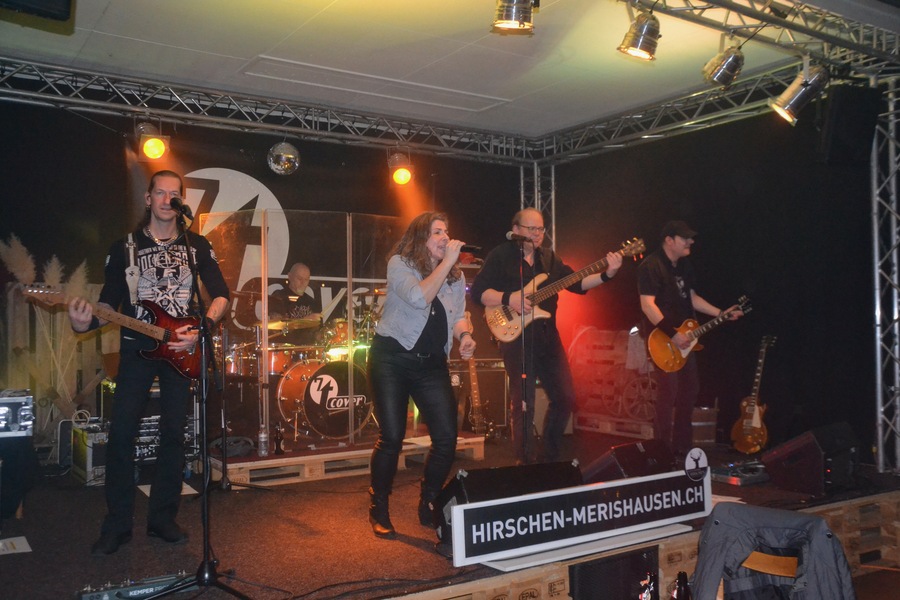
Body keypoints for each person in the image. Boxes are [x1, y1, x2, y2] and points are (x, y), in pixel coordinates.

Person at [68, 170, 230, 556]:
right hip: (135, 350)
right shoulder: (124, 248)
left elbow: (221, 294)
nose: (167, 200)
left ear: (181, 201)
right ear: (148, 198)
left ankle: (161, 519)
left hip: (181, 351)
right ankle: (117, 525)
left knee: (174, 434)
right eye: (160, 193)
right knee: (122, 434)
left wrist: (203, 328)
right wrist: (84, 323)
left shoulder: (196, 245)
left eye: (174, 195)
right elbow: (108, 303)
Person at [471, 208, 622, 465]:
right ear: (516, 230)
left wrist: (608, 274)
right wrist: (509, 298)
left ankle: (548, 457)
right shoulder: (500, 255)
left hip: (548, 338)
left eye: (540, 229)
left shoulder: (550, 259)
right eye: (531, 229)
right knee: (524, 403)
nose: (537, 234)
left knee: (566, 398)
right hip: (517, 338)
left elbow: (577, 283)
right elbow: (478, 292)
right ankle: (525, 462)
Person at [367, 211, 476, 538]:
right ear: (421, 238)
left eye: (447, 231)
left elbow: (458, 316)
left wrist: (465, 336)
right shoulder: (400, 264)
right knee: (392, 437)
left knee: (446, 438)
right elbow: (418, 297)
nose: (445, 237)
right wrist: (448, 262)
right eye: (437, 232)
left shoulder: (454, 276)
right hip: (393, 359)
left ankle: (428, 500)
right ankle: (379, 505)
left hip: (431, 365)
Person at [638, 220, 742, 457]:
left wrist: (721, 313)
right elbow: (648, 306)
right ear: (669, 240)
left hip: (685, 338)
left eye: (691, 238)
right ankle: (662, 450)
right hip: (662, 338)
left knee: (690, 389)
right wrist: (673, 334)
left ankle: (682, 446)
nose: (691, 242)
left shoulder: (684, 265)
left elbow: (692, 298)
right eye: (685, 238)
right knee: (668, 393)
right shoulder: (651, 266)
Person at [268, 262, 322, 346]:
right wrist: (304, 321)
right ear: (290, 276)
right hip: (286, 348)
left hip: (307, 348)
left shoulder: (312, 302)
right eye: (299, 278)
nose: (303, 283)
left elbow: (316, 333)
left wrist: (322, 335)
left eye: (306, 279)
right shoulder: (279, 296)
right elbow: (277, 327)